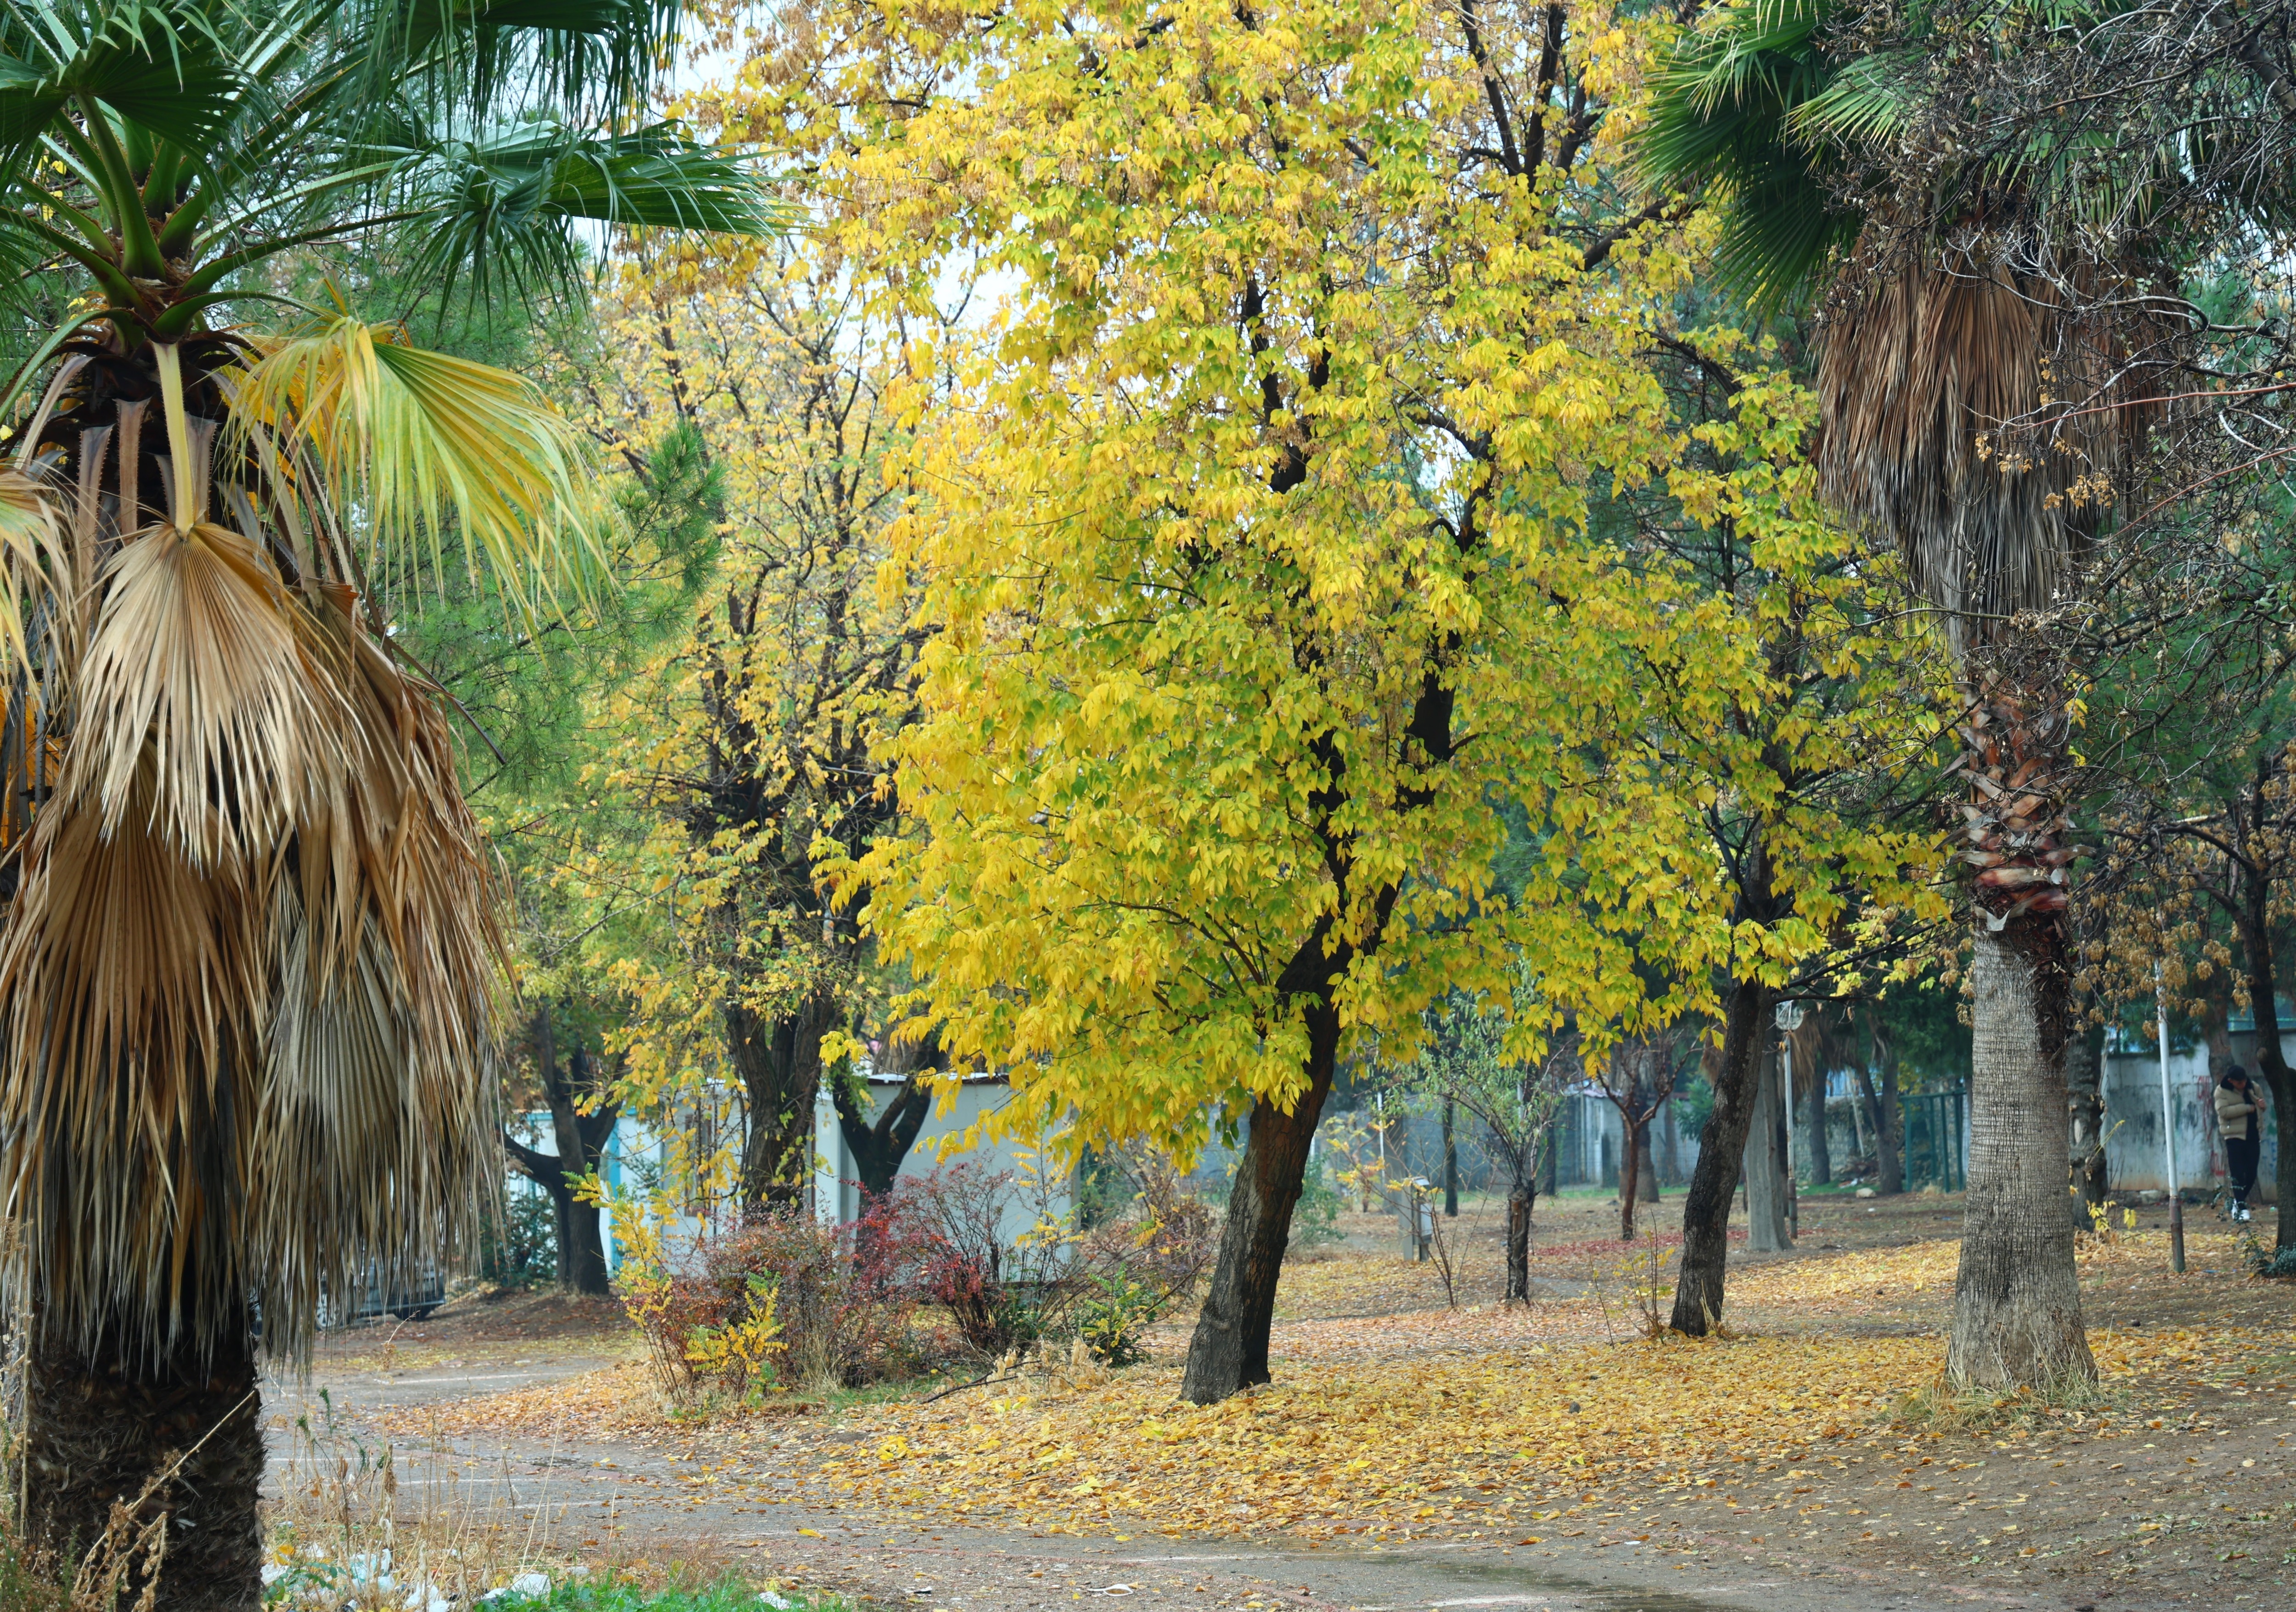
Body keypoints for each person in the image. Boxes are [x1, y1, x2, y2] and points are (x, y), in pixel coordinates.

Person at [2215, 1066, 2263, 1223]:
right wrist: (2247, 1108)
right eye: (2239, 1082)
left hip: (2253, 1134)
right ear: (2231, 1081)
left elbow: (2261, 1107)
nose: (2243, 1084)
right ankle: (2242, 1209)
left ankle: (2237, 1202)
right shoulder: (2221, 1091)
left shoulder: (2254, 1087)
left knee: (2252, 1172)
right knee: (2237, 1173)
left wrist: (2262, 1106)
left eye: (2244, 1081)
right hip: (2234, 1136)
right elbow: (2223, 1112)